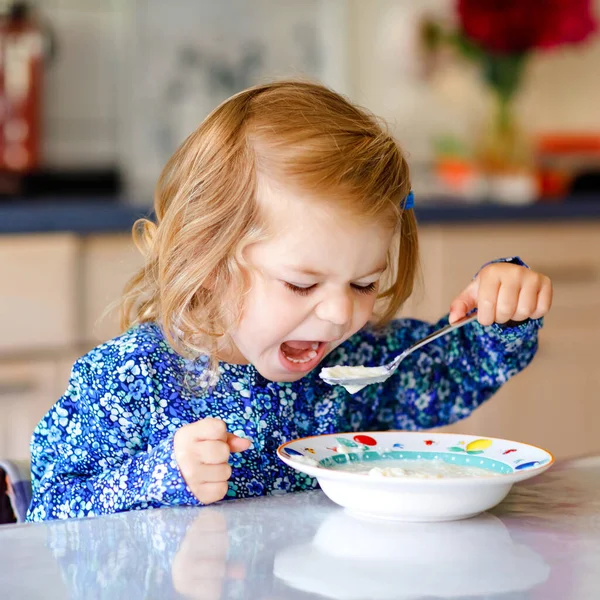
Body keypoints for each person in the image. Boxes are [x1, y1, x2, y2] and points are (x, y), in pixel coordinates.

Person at [27, 80, 552, 522]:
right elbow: (47, 516)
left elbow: (453, 373)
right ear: (208, 262)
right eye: (302, 285)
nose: (340, 313)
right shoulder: (132, 378)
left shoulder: (357, 365)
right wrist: (161, 474)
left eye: (364, 284)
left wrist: (502, 312)